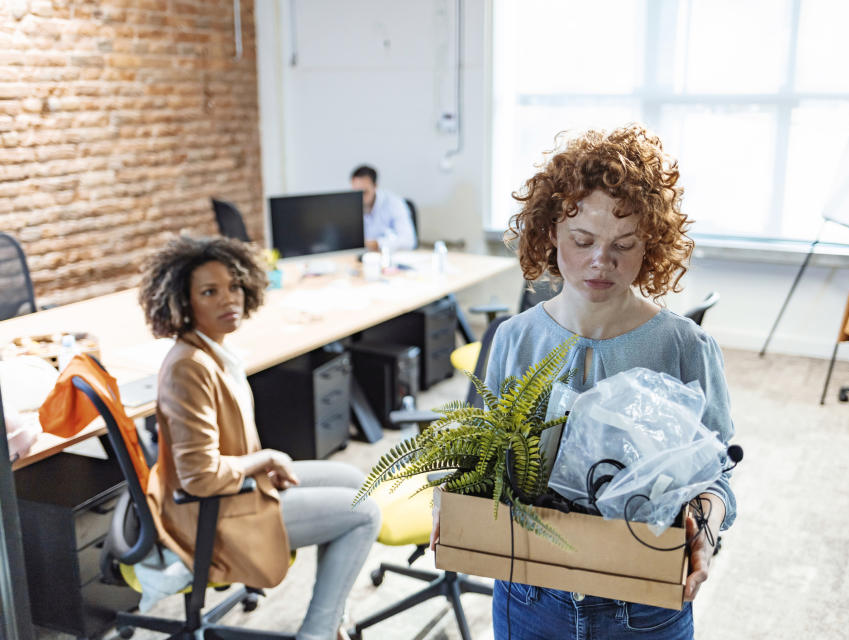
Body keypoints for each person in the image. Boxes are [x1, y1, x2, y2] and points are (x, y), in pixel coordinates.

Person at [436, 125, 737, 639]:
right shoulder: (514, 339)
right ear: (550, 233)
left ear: (651, 246)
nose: (602, 261)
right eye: (582, 241)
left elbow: (717, 477)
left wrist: (704, 528)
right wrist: (452, 488)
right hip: (531, 593)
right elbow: (483, 455)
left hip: (643, 603)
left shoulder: (684, 347)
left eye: (624, 244)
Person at [138, 235, 381, 640]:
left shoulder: (213, 351)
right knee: (364, 513)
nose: (228, 299)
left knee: (357, 483)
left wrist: (264, 462)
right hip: (211, 513)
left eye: (233, 286)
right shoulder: (188, 367)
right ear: (182, 302)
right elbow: (199, 477)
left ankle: (332, 615)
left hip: (232, 489)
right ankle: (318, 632)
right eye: (209, 292)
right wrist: (265, 459)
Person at [350, 165, 417, 251]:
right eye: (356, 192)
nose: (360, 198)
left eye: (364, 192)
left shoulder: (394, 203)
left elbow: (409, 241)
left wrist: (376, 244)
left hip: (389, 257)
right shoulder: (349, 207)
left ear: (375, 186)